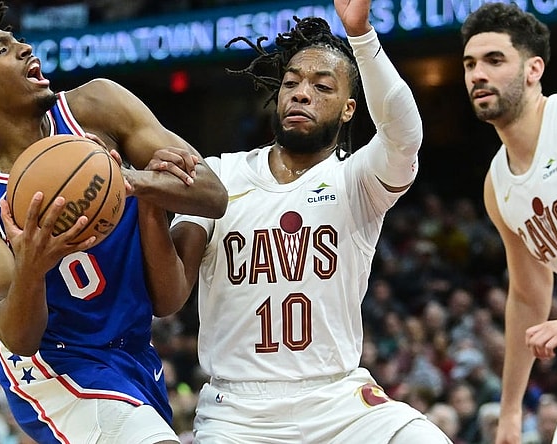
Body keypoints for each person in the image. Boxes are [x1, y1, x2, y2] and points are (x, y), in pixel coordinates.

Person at [0, 1, 227, 443]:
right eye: (2, 50)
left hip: (133, 351)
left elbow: (213, 196)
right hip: (53, 369)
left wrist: (134, 182)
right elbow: (19, 336)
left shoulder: (98, 106)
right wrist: (31, 267)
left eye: (18, 41)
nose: (24, 48)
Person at [170, 0, 451, 442]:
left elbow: (404, 136)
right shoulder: (218, 174)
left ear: (348, 109)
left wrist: (360, 34)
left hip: (338, 401)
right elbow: (170, 291)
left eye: (322, 87)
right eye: (291, 83)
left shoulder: (357, 178)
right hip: (239, 412)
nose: (302, 93)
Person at [460, 3, 557, 444]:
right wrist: (510, 411)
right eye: (470, 64)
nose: (477, 74)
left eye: (494, 60)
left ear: (533, 69)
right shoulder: (497, 184)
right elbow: (528, 296)